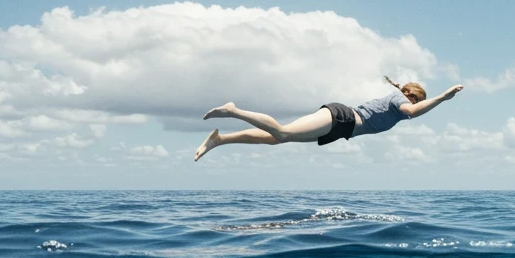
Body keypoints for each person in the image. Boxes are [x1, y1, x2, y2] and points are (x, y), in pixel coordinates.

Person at [193, 77, 464, 161]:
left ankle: (221, 140)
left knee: (276, 139)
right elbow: (414, 111)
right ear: (412, 96)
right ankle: (233, 110)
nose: (417, 104)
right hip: (342, 118)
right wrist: (441, 97)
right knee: (284, 132)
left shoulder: (398, 106)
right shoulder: (400, 102)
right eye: (419, 99)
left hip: (341, 129)